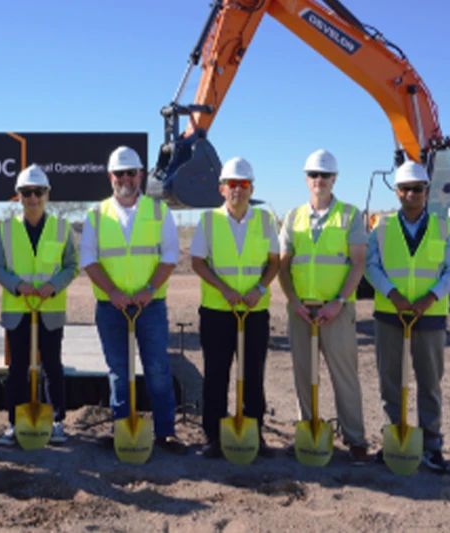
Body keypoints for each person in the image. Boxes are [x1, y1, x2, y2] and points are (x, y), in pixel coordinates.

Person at [80, 145, 188, 455]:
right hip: (110, 307)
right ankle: (122, 428)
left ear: (140, 175)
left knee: (157, 369)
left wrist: (149, 290)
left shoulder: (159, 211)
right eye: (119, 173)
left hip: (150, 306)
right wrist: (112, 292)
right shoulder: (96, 215)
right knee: (118, 370)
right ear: (110, 176)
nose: (125, 178)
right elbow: (88, 258)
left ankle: (165, 432)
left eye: (131, 172)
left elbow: (170, 255)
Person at [365, 160, 450, 473]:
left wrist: (429, 298)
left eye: (417, 189)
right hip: (389, 315)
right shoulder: (381, 228)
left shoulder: (444, 229)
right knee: (390, 382)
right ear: (397, 192)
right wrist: (392, 294)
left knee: (430, 384)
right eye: (405, 189)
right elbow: (371, 266)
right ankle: (394, 440)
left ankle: (431, 446)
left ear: (426, 191)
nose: (411, 194)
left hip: (430, 317)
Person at [278, 149, 370, 464]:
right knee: (304, 375)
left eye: (325, 175)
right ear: (306, 179)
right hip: (301, 310)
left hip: (337, 311)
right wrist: (294, 302)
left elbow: (358, 263)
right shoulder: (293, 217)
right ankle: (308, 432)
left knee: (345, 375)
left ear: (335, 179)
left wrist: (338, 302)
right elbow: (283, 266)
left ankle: (355, 439)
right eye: (314, 175)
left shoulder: (350, 215)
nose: (319, 180)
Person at [189, 157, 280, 459]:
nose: (237, 189)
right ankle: (214, 436)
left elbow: (274, 262)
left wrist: (259, 289)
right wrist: (224, 289)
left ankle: (253, 432)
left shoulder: (265, 220)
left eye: (243, 184)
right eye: (232, 184)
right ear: (222, 189)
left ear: (252, 188)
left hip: (254, 311)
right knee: (216, 374)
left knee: (253, 373)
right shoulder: (208, 220)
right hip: (217, 311)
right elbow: (197, 262)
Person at [0, 164, 79, 446]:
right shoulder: (6, 229)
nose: (32, 198)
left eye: (38, 192)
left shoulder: (62, 228)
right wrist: (18, 285)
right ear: (18, 195)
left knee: (52, 366)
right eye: (27, 192)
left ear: (47, 194)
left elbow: (72, 266)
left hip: (50, 310)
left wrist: (53, 285)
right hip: (18, 310)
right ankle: (14, 423)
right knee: (17, 368)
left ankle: (56, 422)